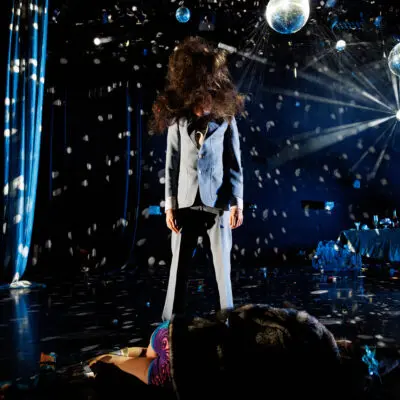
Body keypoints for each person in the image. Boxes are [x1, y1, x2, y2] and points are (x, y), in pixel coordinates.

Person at [86, 304, 399, 400]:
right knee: (123, 366)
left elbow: (253, 311)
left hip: (178, 334)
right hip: (185, 369)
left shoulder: (316, 332)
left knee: (150, 350)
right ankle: (98, 364)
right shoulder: (314, 384)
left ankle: (112, 355)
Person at [150, 36, 245, 321]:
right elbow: (171, 164)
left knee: (222, 267)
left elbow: (234, 162)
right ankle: (170, 324)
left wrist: (237, 202)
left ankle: (227, 320)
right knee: (179, 266)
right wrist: (169, 206)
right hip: (186, 202)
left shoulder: (226, 118)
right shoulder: (178, 121)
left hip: (218, 202)